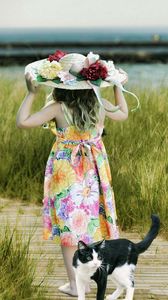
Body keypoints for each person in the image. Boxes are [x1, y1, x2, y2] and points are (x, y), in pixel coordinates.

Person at [16, 51, 129, 297]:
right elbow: (123, 113)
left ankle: (76, 284)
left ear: (61, 84)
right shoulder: (99, 104)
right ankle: (90, 280)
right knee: (92, 224)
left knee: (70, 227)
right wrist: (117, 86)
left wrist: (31, 92)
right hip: (94, 172)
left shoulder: (57, 107)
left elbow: (22, 122)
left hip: (66, 172)